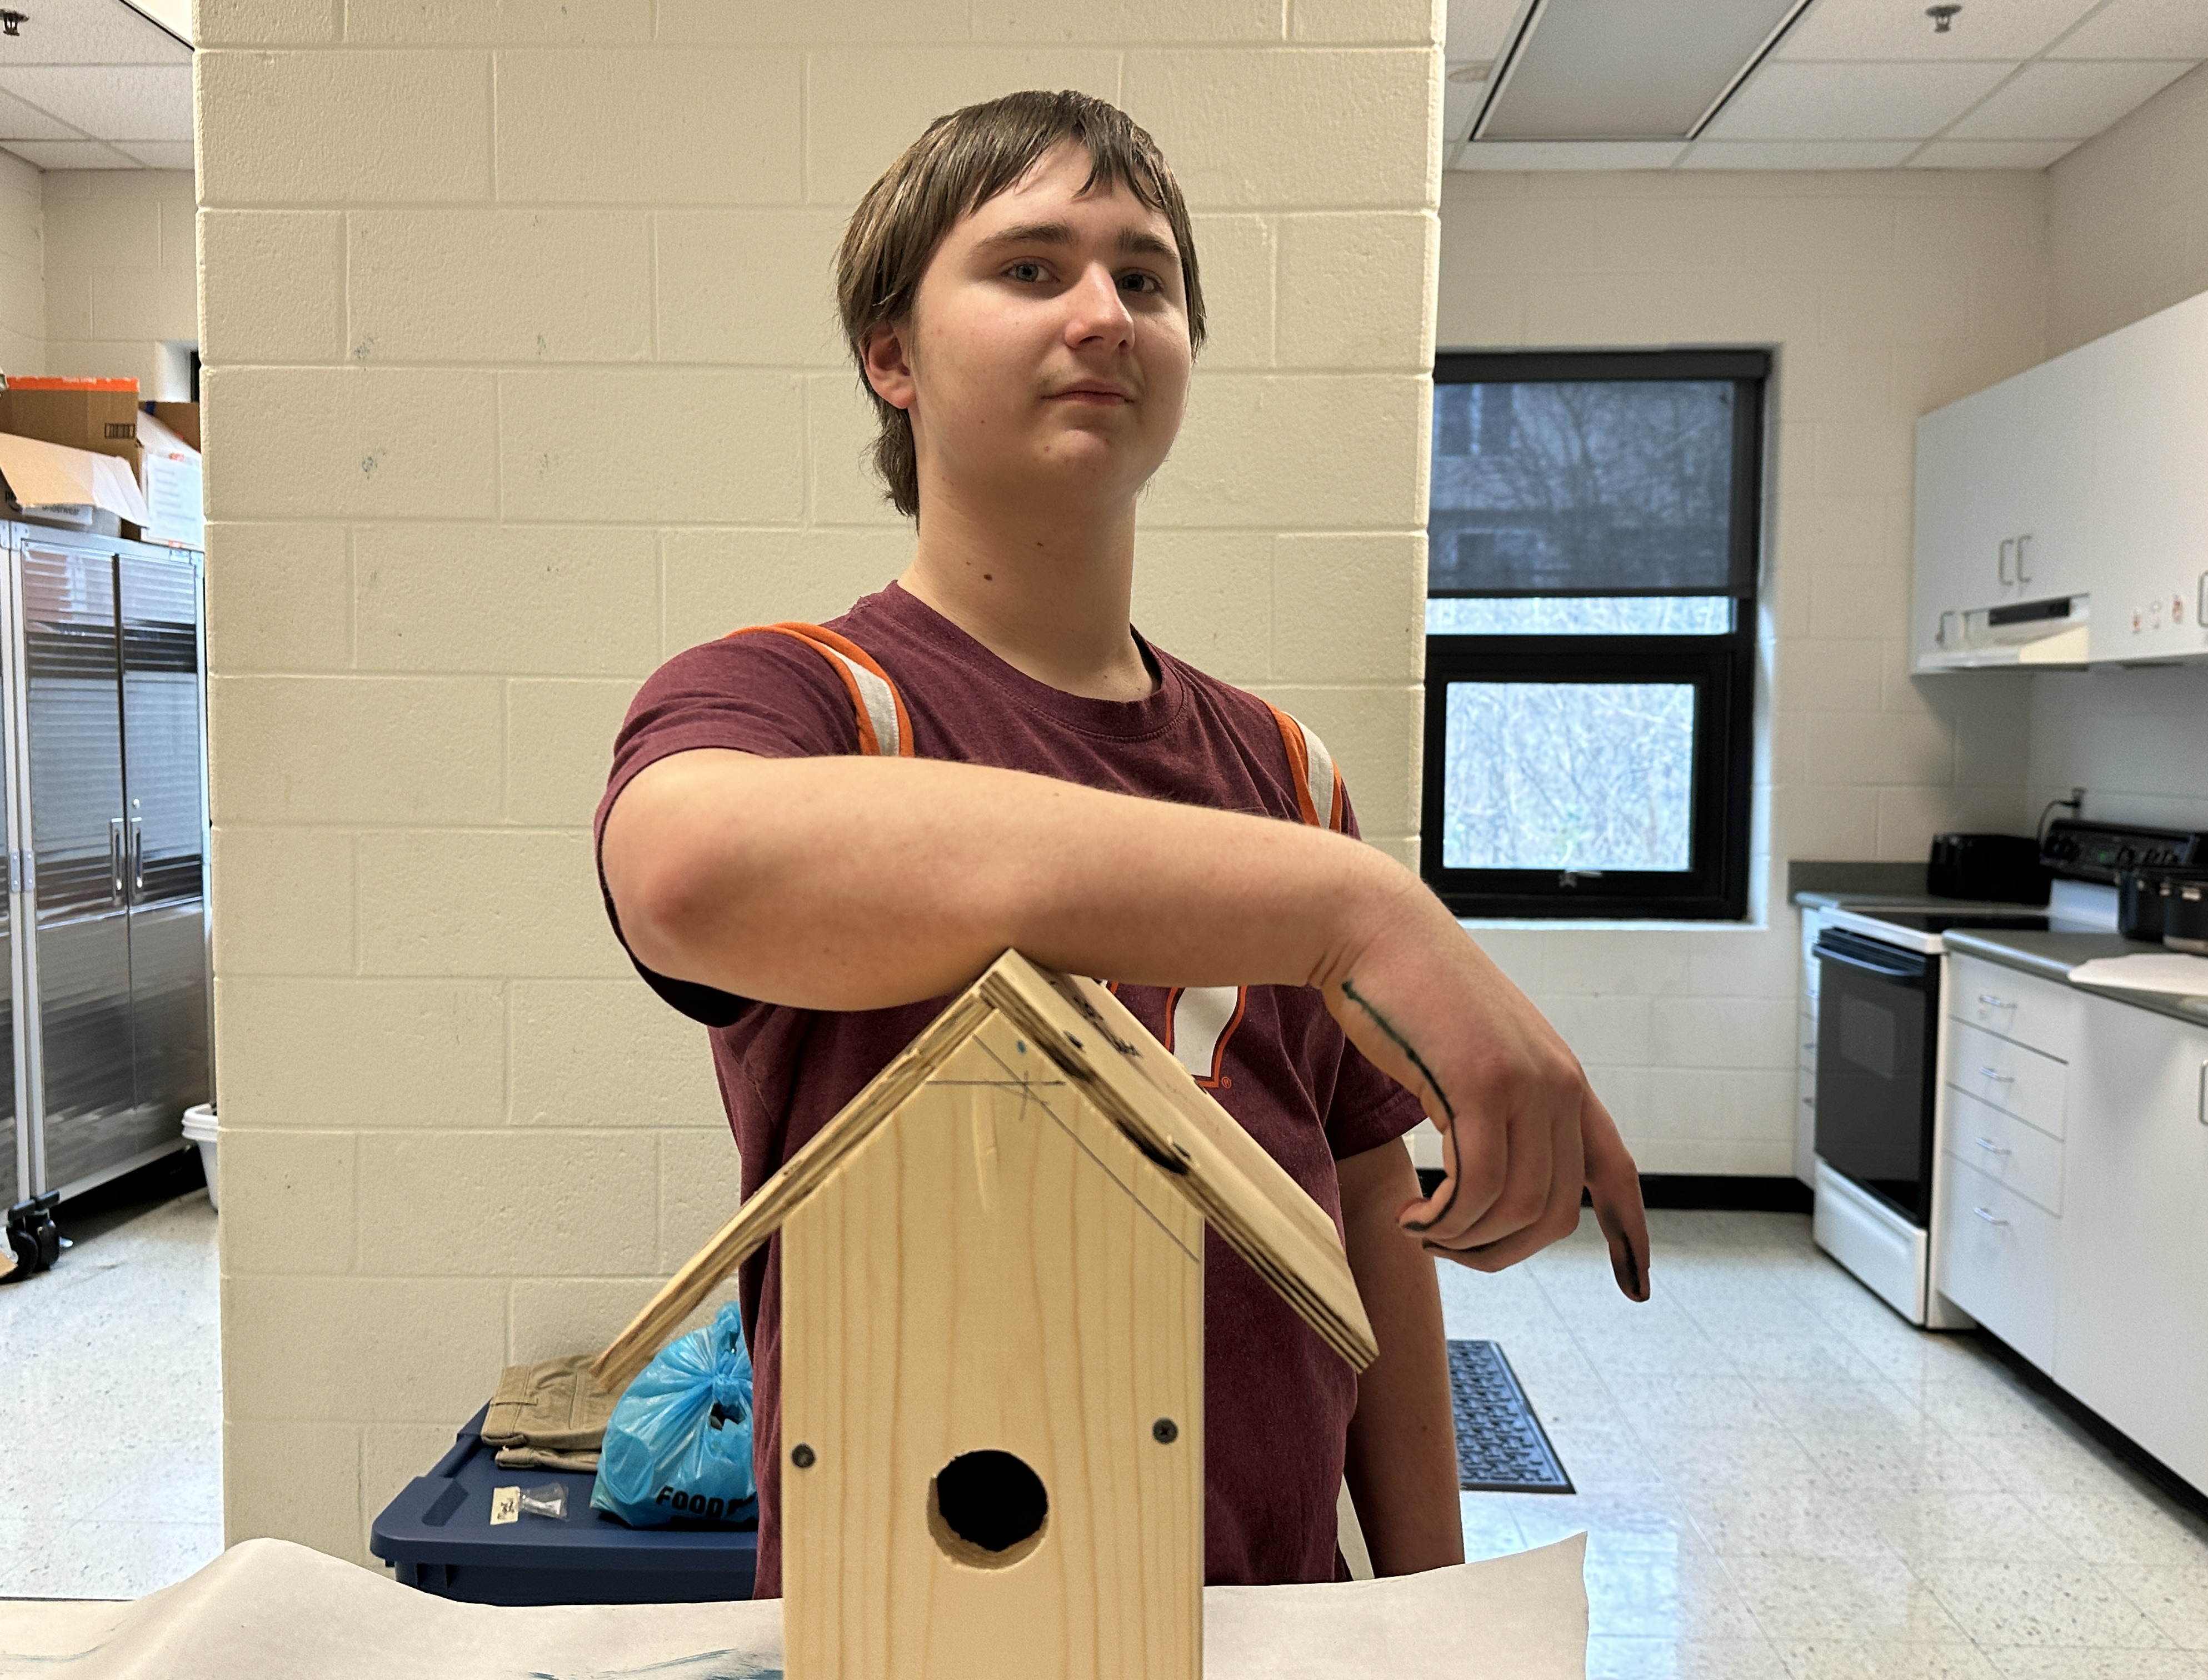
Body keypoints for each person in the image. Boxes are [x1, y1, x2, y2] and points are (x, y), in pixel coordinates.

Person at [597, 89, 1650, 1597]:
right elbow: (687, 873)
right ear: (892, 357)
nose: (1104, 313)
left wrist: (1427, 1608)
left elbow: (1368, 1209)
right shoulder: (807, 701)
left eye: (1145, 279)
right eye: (1030, 268)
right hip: (926, 1615)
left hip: (1275, 1610)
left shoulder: (1284, 772)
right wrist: (1355, 911)